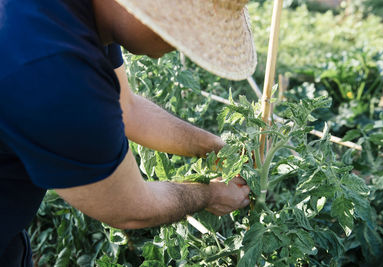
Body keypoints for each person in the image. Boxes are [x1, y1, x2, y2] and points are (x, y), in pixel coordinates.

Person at [0, 0, 257, 265]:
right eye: (181, 29)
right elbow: (129, 207)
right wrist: (210, 194)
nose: (181, 46)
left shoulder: (81, 13)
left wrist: (212, 146)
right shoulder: (57, 72)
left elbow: (128, 108)